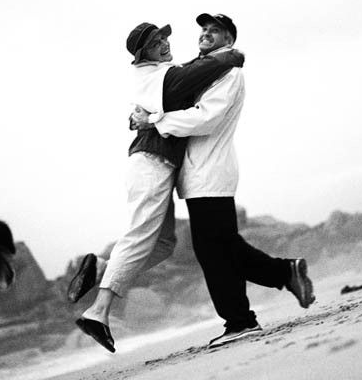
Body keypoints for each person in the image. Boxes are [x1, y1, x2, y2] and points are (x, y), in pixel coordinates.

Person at [131, 13, 316, 348]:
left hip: (211, 172)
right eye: (203, 29)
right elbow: (170, 90)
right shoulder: (205, 70)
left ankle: (241, 320)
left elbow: (208, 118)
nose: (206, 33)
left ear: (229, 40)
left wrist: (154, 121)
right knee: (223, 246)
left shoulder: (229, 72)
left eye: (214, 30)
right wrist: (142, 115)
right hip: (200, 173)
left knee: (215, 251)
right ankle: (285, 273)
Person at [70, 22, 245, 353]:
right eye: (155, 43)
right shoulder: (157, 76)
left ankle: (103, 268)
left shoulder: (162, 71)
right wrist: (231, 56)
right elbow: (197, 74)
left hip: (159, 167)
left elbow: (189, 78)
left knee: (164, 244)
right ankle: (98, 313)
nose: (164, 43)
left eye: (164, 37)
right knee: (139, 236)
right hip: (151, 164)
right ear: (142, 55)